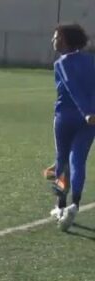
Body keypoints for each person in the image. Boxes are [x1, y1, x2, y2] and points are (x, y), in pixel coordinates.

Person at [46, 23, 95, 231]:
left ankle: (61, 205)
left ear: (65, 41)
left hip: (66, 117)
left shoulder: (61, 63)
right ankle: (74, 204)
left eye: (56, 37)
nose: (53, 40)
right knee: (78, 160)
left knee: (62, 160)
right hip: (91, 119)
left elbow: (72, 87)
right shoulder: (92, 60)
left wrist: (86, 111)